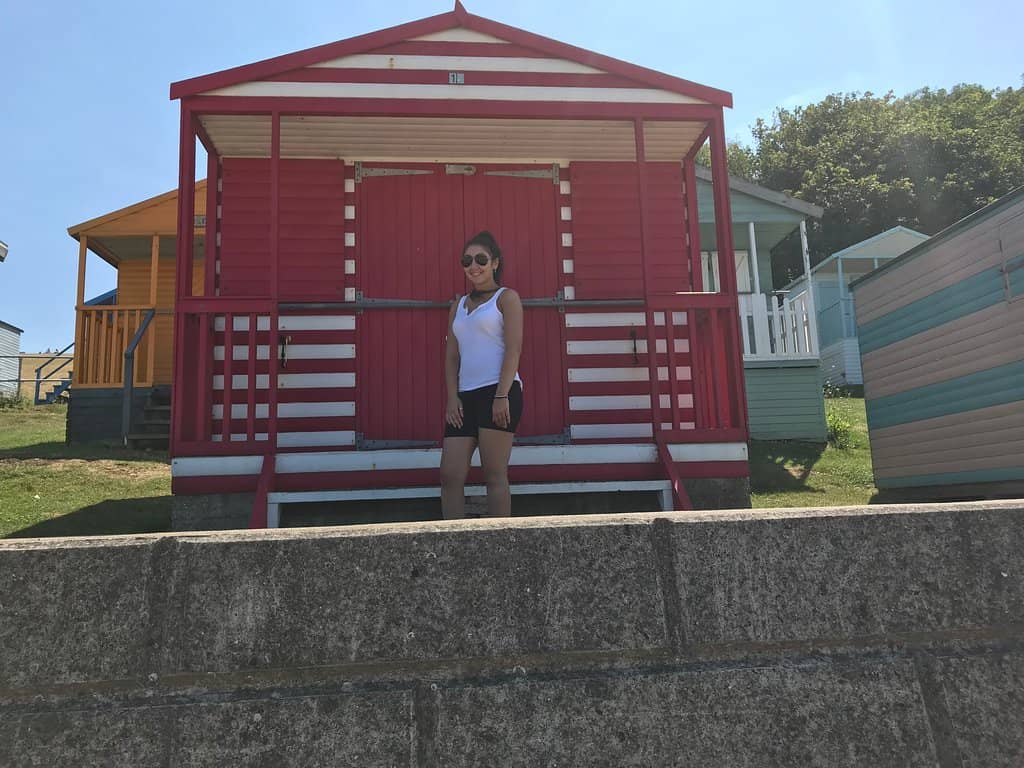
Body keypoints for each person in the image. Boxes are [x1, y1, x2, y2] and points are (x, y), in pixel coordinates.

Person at [440, 231, 524, 518]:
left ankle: (500, 539)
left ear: (495, 263)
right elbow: (452, 357)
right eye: (467, 261)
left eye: (481, 259)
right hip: (465, 397)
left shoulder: (507, 298)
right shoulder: (458, 306)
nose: (473, 266)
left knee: (494, 474)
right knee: (450, 474)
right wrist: (453, 398)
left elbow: (513, 349)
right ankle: (453, 538)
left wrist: (501, 395)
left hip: (498, 392)